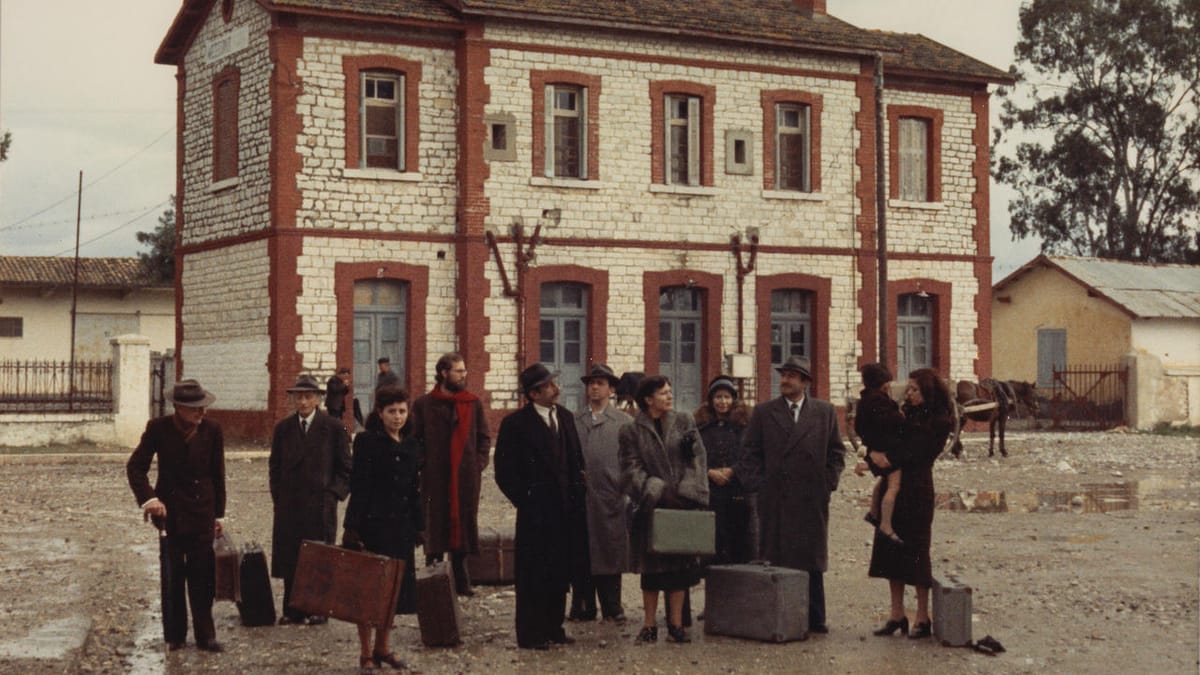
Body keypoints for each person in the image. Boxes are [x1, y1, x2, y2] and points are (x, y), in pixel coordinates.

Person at [734, 355, 845, 634]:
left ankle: (814, 618)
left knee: (811, 558)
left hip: (811, 497)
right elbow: (749, 453)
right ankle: (779, 617)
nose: (785, 380)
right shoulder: (764, 412)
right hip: (775, 498)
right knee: (776, 556)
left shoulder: (824, 412)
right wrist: (759, 486)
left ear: (805, 382)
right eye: (783, 375)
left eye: (792, 376)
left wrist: (827, 483)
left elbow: (836, 453)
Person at [494, 363, 591, 650]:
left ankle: (553, 626)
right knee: (533, 573)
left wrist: (578, 490)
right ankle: (531, 633)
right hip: (536, 514)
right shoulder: (515, 425)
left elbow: (576, 459)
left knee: (560, 570)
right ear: (534, 394)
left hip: (566, 511)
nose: (556, 389)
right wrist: (527, 500)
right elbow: (504, 473)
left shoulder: (565, 417)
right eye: (549, 385)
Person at [126, 379, 226, 652]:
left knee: (203, 575)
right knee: (172, 575)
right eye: (195, 408)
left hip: (203, 512)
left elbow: (218, 475)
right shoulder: (158, 429)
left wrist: (219, 515)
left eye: (203, 407)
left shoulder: (213, 430)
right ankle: (175, 635)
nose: (201, 412)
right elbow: (135, 467)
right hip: (170, 515)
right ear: (178, 407)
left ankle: (206, 635)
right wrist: (150, 499)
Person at [619, 374, 709, 644]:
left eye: (670, 391)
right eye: (663, 393)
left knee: (679, 566)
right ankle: (649, 625)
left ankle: (676, 625)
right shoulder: (631, 431)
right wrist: (657, 490)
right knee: (652, 568)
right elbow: (630, 469)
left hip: (681, 504)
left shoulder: (684, 421)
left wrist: (687, 492)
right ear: (648, 399)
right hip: (651, 506)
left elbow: (697, 459)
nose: (670, 396)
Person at [867, 368, 955, 640]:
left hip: (917, 488)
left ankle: (922, 616)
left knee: (917, 551)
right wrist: (875, 458)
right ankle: (897, 614)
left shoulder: (940, 421)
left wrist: (886, 459)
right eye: (909, 389)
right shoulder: (904, 413)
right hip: (894, 485)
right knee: (890, 549)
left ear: (928, 391)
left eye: (915, 389)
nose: (910, 394)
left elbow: (919, 452)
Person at [341, 386, 423, 672]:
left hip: (401, 529)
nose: (397, 417)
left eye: (402, 411)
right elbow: (359, 487)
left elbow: (414, 489)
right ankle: (366, 652)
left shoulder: (411, 445)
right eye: (391, 412)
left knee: (392, 594)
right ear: (380, 412)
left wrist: (419, 526)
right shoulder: (367, 442)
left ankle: (383, 647)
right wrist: (351, 527)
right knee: (369, 592)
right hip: (373, 528)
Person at [269, 374, 353, 625]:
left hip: (320, 504)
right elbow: (275, 467)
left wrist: (333, 495)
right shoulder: (283, 429)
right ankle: (293, 609)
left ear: (318, 399)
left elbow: (346, 469)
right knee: (291, 555)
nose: (303, 402)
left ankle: (319, 608)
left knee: (320, 555)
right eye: (298, 397)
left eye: (308, 397)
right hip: (290, 504)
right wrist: (279, 496)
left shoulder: (334, 428)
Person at [410, 352, 491, 596]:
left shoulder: (473, 403)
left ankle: (461, 580)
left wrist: (477, 463)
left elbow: (484, 438)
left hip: (465, 478)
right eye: (459, 371)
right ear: (444, 373)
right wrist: (424, 464)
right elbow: (415, 439)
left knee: (462, 524)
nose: (463, 375)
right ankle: (433, 582)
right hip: (434, 478)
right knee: (434, 526)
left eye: (464, 370)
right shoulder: (424, 405)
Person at [570, 363, 630, 622]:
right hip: (581, 498)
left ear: (611, 389)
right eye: (591, 383)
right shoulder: (574, 420)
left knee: (610, 549)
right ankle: (583, 605)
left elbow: (631, 460)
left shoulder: (623, 423)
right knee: (581, 550)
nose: (594, 388)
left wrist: (622, 488)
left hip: (610, 497)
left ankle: (612, 605)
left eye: (600, 383)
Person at [694, 374, 757, 565]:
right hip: (710, 490)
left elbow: (751, 454)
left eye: (727, 397)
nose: (722, 402)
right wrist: (708, 472)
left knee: (739, 540)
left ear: (733, 399)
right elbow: (693, 455)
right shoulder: (700, 426)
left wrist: (733, 470)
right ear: (711, 400)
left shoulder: (745, 426)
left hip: (738, 489)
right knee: (714, 539)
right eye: (718, 397)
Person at [852, 363, 906, 545]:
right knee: (893, 486)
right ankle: (886, 525)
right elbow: (894, 421)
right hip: (887, 449)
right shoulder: (881, 402)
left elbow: (859, 427)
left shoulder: (864, 401)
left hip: (874, 447)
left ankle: (874, 512)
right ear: (883, 383)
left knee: (883, 481)